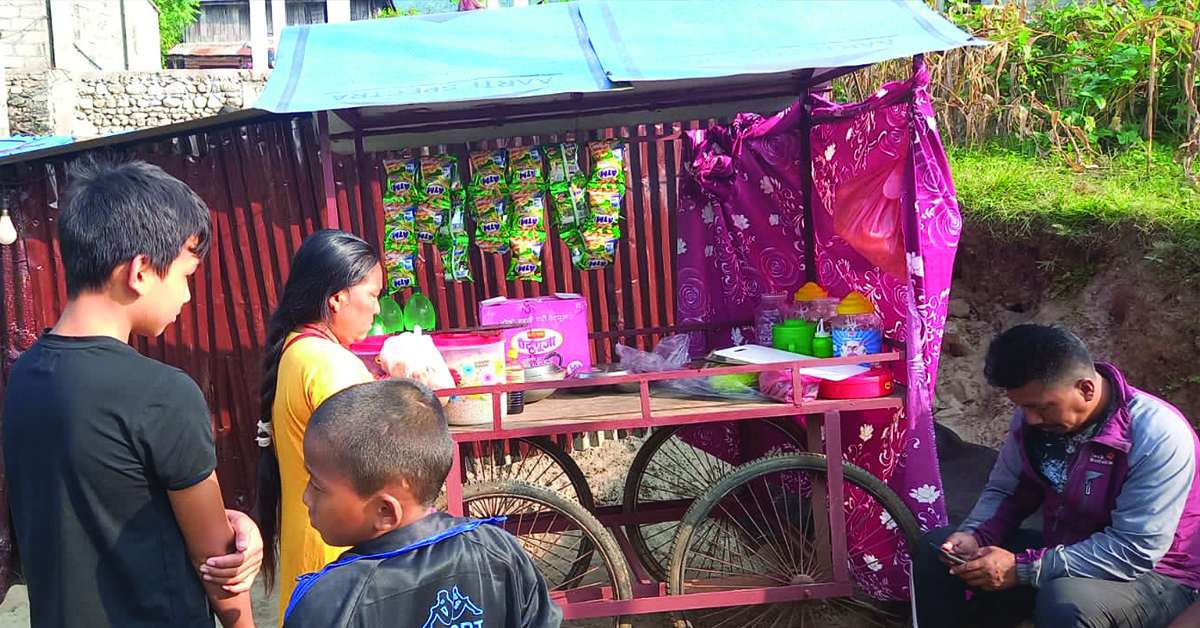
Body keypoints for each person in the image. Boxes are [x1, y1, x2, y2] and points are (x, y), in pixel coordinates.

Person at [1, 159, 263, 627]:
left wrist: (228, 521)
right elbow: (219, 568)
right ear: (140, 271)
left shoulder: (27, 375)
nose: (186, 296)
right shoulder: (163, 394)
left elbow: (106, 501)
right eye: (186, 276)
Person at [913, 323, 1200, 628]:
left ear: (1086, 389)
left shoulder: (1156, 436)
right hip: (1060, 556)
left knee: (1064, 599)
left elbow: (1133, 551)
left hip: (1157, 579)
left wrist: (1024, 568)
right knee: (937, 551)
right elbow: (1007, 491)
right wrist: (974, 536)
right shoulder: (1034, 421)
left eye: (1041, 408)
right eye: (1022, 407)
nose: (1031, 418)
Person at [280, 379, 561, 628]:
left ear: (385, 511)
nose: (306, 497)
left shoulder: (329, 602)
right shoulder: (498, 550)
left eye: (317, 485)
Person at [255, 229, 383, 622]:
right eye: (373, 296)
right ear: (338, 298)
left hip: (309, 543)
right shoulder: (330, 365)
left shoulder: (298, 349)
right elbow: (378, 462)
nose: (377, 310)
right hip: (337, 553)